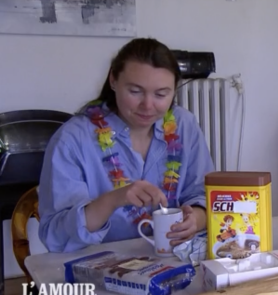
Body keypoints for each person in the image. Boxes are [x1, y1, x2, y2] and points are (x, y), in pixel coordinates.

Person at [38, 38, 214, 253]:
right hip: (97, 268)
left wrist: (196, 218)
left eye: (161, 94)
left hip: (173, 260)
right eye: (135, 91)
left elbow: (204, 195)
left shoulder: (183, 125)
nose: (148, 106)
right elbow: (55, 236)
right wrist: (114, 199)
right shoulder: (72, 140)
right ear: (113, 80)